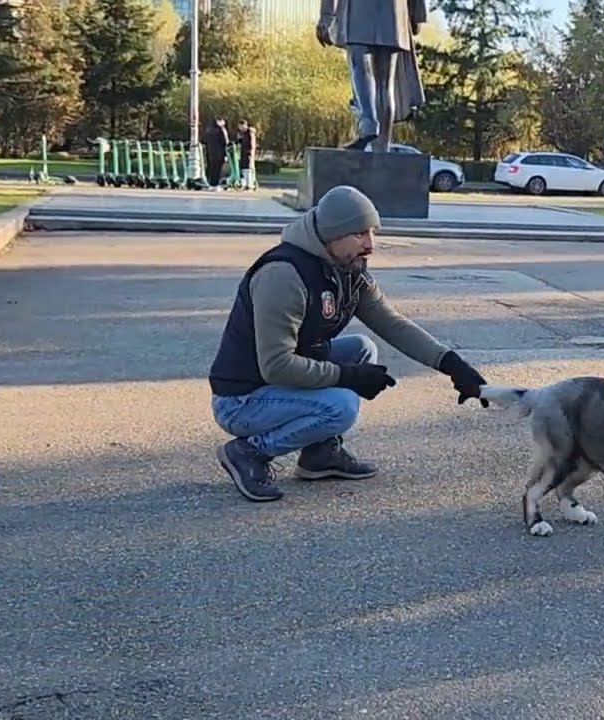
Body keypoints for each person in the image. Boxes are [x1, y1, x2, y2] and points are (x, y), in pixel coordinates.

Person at [207, 185, 489, 502]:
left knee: (361, 348)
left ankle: (319, 455)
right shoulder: (283, 275)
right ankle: (249, 452)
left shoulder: (347, 269)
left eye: (371, 232)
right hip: (243, 399)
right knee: (341, 406)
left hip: (276, 383)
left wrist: (453, 365)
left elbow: (393, 324)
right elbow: (276, 366)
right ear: (331, 235)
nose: (370, 245)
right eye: (359, 234)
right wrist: (347, 377)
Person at [203, 118, 229, 189]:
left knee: (211, 168)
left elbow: (204, 140)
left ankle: (211, 184)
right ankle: (216, 184)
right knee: (218, 169)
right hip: (219, 152)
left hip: (210, 152)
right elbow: (225, 141)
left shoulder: (208, 130)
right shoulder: (221, 129)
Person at [236, 119, 257, 190]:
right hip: (244, 153)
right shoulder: (244, 134)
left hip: (248, 153)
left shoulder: (250, 133)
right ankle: (247, 184)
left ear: (244, 125)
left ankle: (250, 185)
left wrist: (250, 152)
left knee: (248, 169)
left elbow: (251, 143)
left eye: (240, 126)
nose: (240, 128)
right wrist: (239, 140)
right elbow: (242, 142)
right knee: (244, 169)